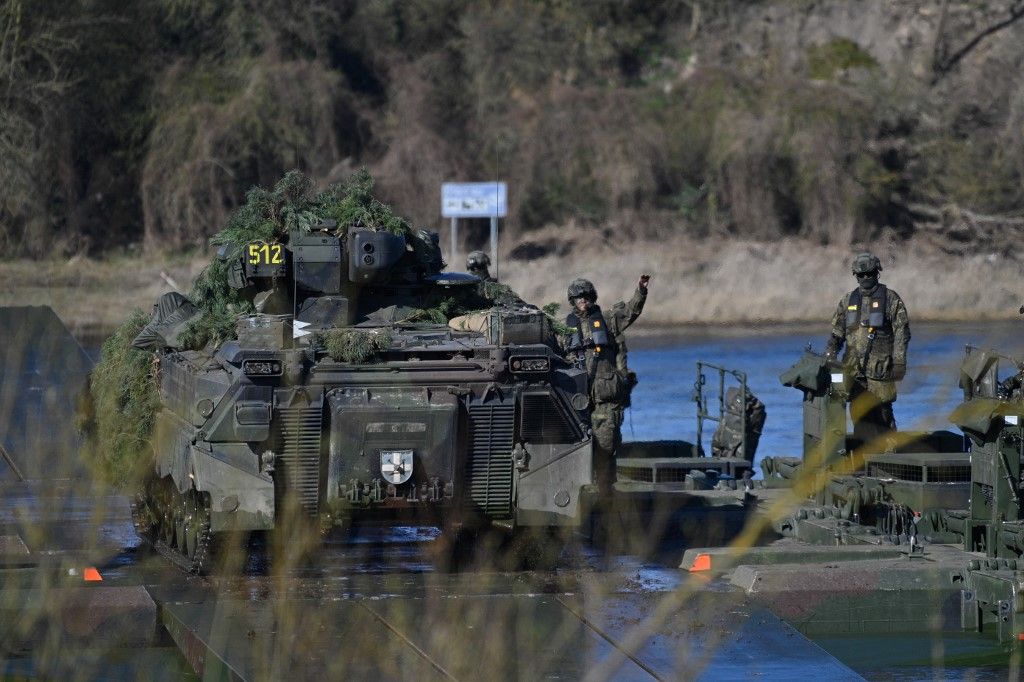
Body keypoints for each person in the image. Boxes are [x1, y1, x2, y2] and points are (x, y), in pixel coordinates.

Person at [564, 274, 649, 494]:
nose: (582, 300)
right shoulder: (566, 329)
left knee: (606, 445)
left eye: (585, 296)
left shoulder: (608, 320)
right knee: (577, 446)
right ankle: (581, 490)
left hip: (605, 399)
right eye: (578, 297)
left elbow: (631, 311)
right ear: (572, 301)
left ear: (592, 297)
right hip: (577, 398)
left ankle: (604, 492)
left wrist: (640, 290)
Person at [824, 252, 910, 445]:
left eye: (869, 274)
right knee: (858, 412)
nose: (865, 278)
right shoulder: (848, 301)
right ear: (855, 276)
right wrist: (829, 356)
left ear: (877, 273)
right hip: (853, 370)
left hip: (880, 369)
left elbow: (901, 333)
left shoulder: (890, 299)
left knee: (883, 413)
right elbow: (836, 334)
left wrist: (899, 362)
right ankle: (864, 457)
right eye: (860, 275)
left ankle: (890, 456)